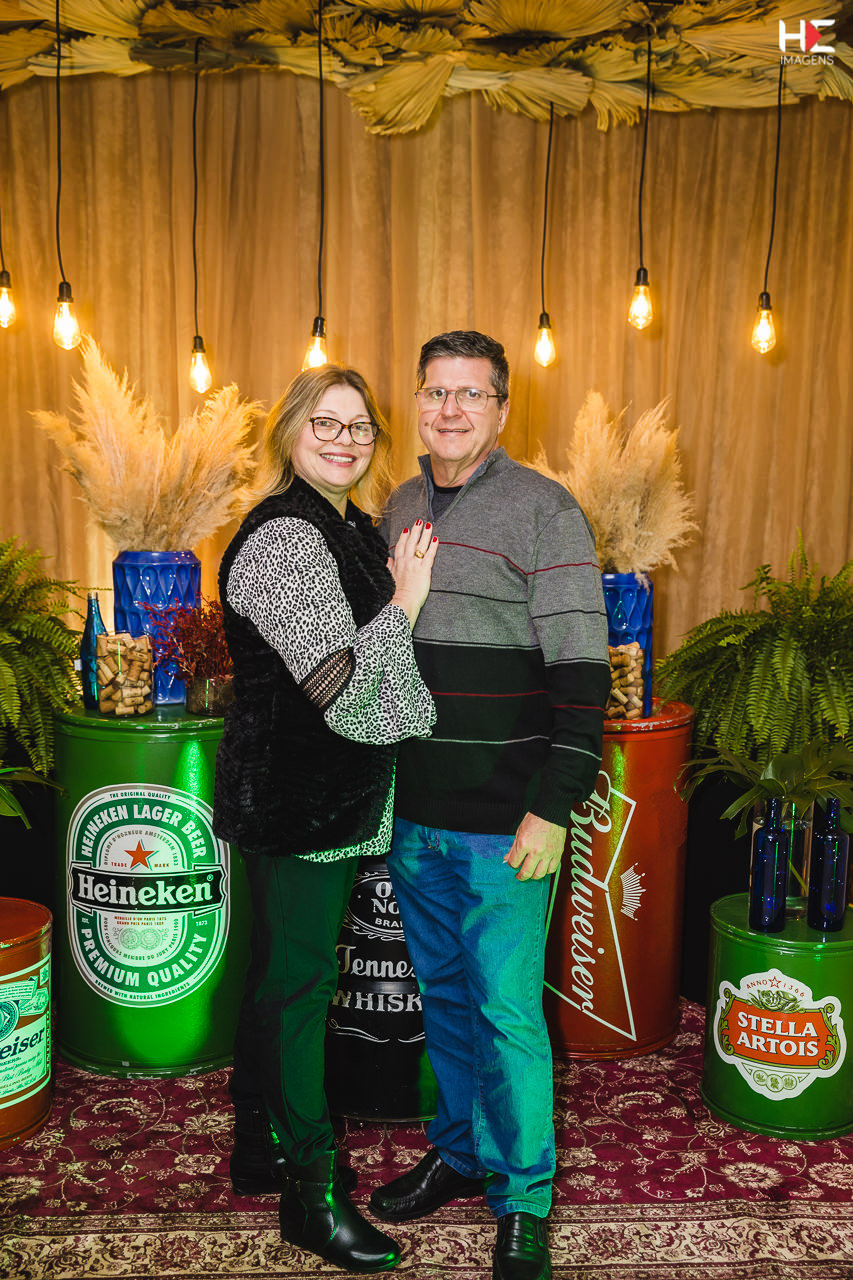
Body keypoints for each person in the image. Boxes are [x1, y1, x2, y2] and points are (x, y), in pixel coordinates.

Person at [370, 331, 611, 1280]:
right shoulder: (398, 504)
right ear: (418, 401)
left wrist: (552, 809)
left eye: (471, 394)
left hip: (507, 826)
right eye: (436, 392)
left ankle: (522, 1199)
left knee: (507, 1013)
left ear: (503, 408)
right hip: (415, 813)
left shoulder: (546, 511)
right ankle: (460, 1152)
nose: (450, 410)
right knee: (443, 997)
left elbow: (582, 675)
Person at [213, 364, 438, 1274]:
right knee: (300, 990)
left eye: (359, 427)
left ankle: (255, 1145)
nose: (344, 440)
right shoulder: (284, 539)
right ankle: (310, 1194)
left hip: (322, 796)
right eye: (325, 423)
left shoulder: (343, 527)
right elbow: (340, 688)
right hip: (298, 802)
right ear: (289, 432)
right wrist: (407, 600)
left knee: (280, 978)